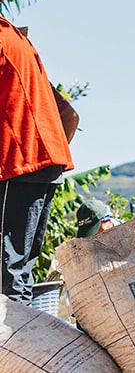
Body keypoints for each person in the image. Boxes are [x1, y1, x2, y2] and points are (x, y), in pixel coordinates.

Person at [0, 17, 77, 305]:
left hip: (21, 163)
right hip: (46, 164)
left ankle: (8, 348)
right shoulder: (20, 44)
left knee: (9, 271)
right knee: (19, 269)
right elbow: (71, 117)